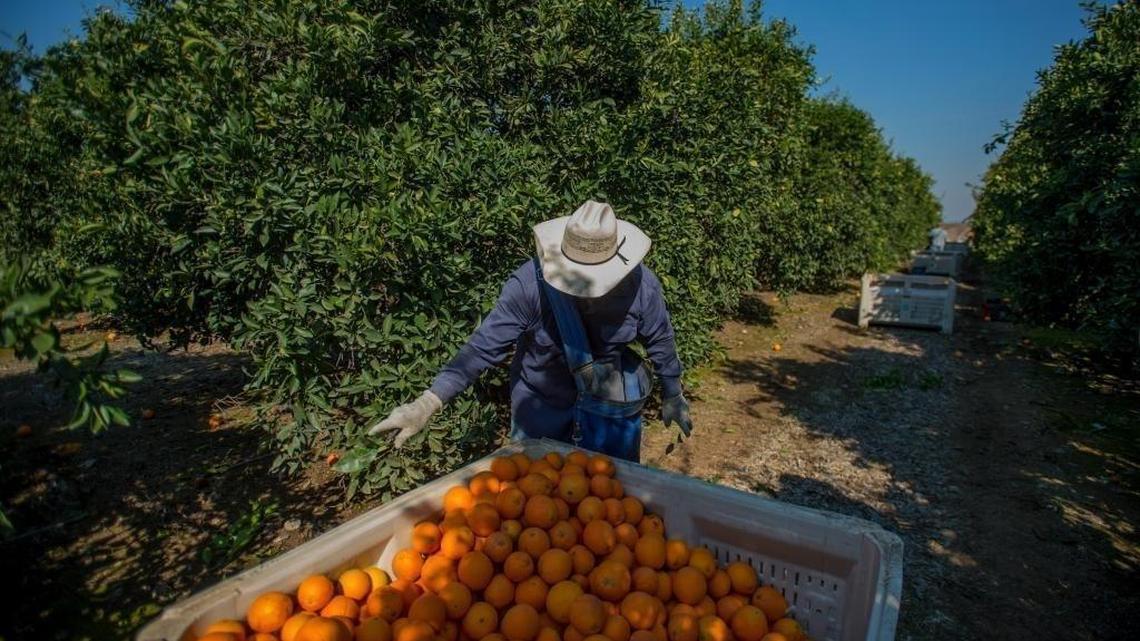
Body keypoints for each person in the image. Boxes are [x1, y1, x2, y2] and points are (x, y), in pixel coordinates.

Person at [368, 200, 692, 461]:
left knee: (609, 505)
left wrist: (673, 392)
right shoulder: (529, 287)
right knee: (536, 504)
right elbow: (483, 348)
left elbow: (660, 339)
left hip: (606, 409)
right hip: (541, 408)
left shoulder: (641, 287)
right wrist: (428, 402)